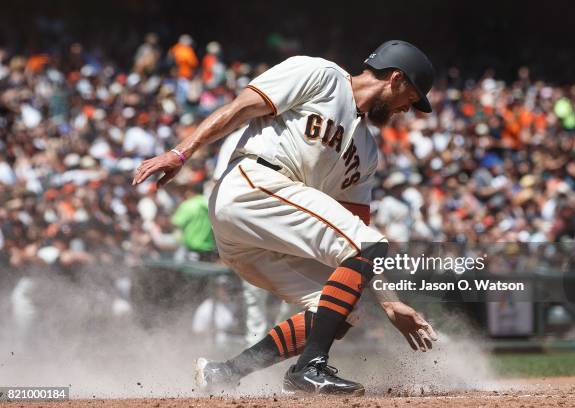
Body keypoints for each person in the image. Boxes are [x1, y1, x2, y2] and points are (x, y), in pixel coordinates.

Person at [133, 40, 438, 395]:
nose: (408, 109)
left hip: (260, 236)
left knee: (342, 307)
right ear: (396, 79)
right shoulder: (321, 75)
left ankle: (226, 372)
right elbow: (240, 108)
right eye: (412, 97)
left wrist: (390, 301)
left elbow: (355, 237)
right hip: (251, 185)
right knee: (367, 247)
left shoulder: (366, 152)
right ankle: (309, 368)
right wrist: (181, 152)